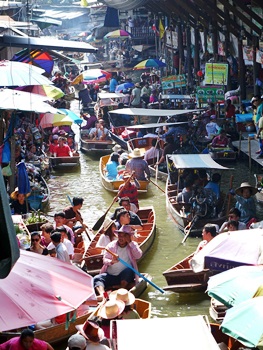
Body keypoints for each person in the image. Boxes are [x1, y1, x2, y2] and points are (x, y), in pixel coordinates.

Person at [93, 225, 143, 302]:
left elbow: (138, 255)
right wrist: (111, 261)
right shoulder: (111, 245)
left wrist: (130, 242)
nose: (121, 238)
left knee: (129, 270)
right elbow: (105, 260)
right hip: (111, 275)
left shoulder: (133, 245)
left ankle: (119, 290)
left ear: (128, 237)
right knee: (97, 278)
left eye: (124, 236)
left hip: (125, 276)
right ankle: (104, 296)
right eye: (119, 236)